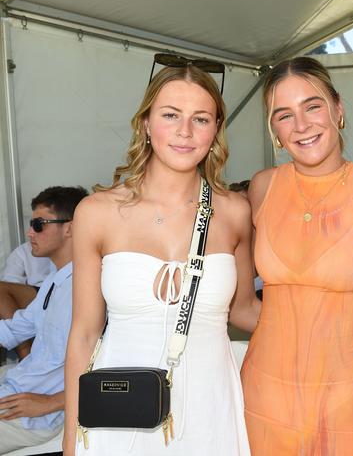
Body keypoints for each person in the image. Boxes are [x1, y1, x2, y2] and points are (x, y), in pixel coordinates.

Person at [63, 59, 259, 455]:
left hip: (209, 409)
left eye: (201, 119)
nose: (185, 132)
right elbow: (83, 334)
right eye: (171, 115)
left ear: (216, 129)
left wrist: (326, 328)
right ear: (146, 124)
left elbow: (245, 311)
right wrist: (71, 438)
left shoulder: (235, 211)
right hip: (119, 412)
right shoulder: (97, 212)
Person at [240, 56, 353, 455]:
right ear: (274, 131)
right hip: (262, 391)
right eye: (284, 115)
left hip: (342, 397)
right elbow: (243, 305)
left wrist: (339, 316)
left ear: (338, 109)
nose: (301, 125)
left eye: (312, 106)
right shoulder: (262, 187)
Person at [0, 186, 87, 454]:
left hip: (31, 416)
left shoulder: (88, 287)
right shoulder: (54, 281)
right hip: (14, 391)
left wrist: (53, 402)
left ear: (70, 228)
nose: (29, 233)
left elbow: (110, 365)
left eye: (39, 224)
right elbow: (13, 329)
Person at [0, 241, 54, 359]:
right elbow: (9, 285)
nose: (30, 232)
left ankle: (26, 356)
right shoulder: (23, 252)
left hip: (52, 294)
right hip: (36, 298)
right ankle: (26, 356)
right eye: (31, 225)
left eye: (39, 225)